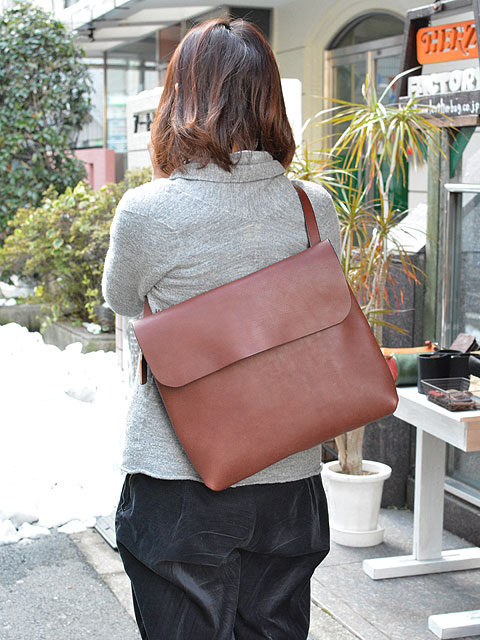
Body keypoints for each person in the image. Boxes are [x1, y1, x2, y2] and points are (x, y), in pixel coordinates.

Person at [102, 17, 340, 640]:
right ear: (270, 102)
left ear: (180, 99)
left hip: (177, 479)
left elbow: (121, 298)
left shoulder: (147, 211)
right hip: (289, 478)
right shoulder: (312, 206)